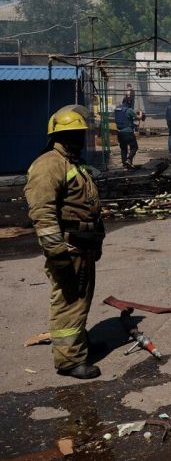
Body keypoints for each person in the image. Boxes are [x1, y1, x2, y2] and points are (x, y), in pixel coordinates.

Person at [24, 105, 105, 380]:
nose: (78, 139)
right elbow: (42, 212)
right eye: (72, 134)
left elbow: (86, 205)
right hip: (68, 248)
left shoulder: (73, 164)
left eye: (80, 133)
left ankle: (79, 344)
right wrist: (56, 252)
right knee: (69, 301)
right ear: (58, 136)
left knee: (81, 300)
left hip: (84, 245)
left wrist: (97, 238)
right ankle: (69, 360)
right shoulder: (49, 164)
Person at [114, 96, 141, 169]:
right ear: (129, 103)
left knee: (123, 149)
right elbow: (138, 117)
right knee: (134, 147)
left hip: (119, 132)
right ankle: (129, 159)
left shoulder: (117, 110)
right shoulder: (129, 110)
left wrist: (133, 124)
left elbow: (124, 120)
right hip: (128, 132)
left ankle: (125, 164)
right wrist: (141, 113)